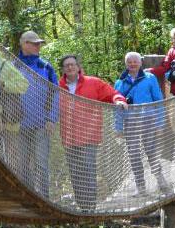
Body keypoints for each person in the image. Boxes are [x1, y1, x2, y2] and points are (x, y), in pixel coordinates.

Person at [58, 54, 127, 210]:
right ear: (62, 69)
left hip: (89, 136)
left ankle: (90, 208)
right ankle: (81, 207)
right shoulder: (57, 87)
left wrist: (119, 100)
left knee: (88, 171)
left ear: (78, 67)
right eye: (66, 65)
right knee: (75, 173)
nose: (70, 67)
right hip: (69, 137)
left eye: (72, 64)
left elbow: (112, 94)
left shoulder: (93, 83)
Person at [115, 51, 166, 194]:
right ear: (126, 64)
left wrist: (160, 123)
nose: (132, 64)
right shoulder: (120, 82)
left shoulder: (150, 78)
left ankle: (161, 182)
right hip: (130, 122)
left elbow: (159, 101)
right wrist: (118, 128)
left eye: (135, 61)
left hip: (148, 120)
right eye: (129, 62)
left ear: (140, 63)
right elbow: (117, 107)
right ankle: (141, 187)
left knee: (151, 152)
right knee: (134, 154)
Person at [16, 30, 57, 197]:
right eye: (34, 43)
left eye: (39, 43)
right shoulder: (13, 64)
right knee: (22, 164)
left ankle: (44, 199)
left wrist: (52, 118)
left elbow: (55, 93)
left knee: (41, 163)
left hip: (42, 123)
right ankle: (28, 198)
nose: (38, 46)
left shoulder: (45, 67)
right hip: (18, 123)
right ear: (25, 44)